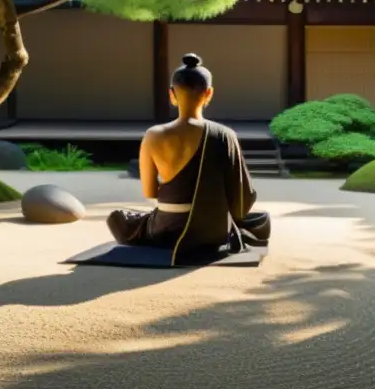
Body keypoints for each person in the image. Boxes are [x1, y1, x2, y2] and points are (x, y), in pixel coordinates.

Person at [106, 53, 271, 266]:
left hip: (164, 228)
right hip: (211, 230)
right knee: (260, 219)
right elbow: (241, 199)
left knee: (120, 219)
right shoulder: (224, 135)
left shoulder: (153, 135)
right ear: (209, 93)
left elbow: (149, 193)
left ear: (172, 95)